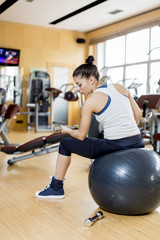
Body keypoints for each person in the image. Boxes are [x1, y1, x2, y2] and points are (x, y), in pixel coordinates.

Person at [35, 55, 144, 199]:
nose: (78, 89)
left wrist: (68, 130)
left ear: (91, 80)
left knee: (66, 144)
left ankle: (56, 188)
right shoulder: (120, 87)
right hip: (137, 140)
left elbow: (81, 136)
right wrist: (127, 134)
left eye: (80, 85)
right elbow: (138, 114)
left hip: (115, 145)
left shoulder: (90, 102)